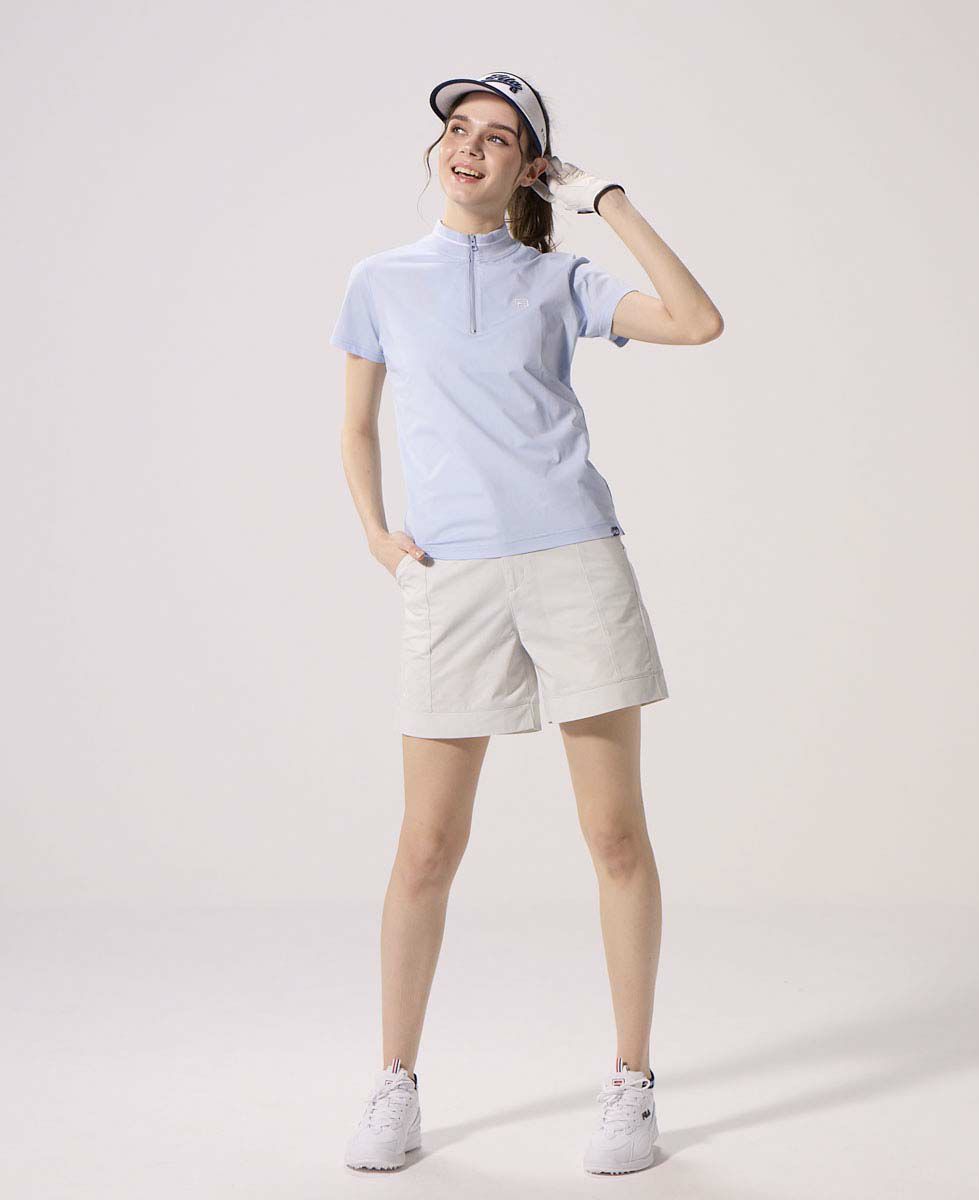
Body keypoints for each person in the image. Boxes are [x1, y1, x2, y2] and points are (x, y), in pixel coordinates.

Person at [331, 70, 723, 1176]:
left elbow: (697, 322)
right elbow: (355, 427)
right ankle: (395, 1081)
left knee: (614, 836)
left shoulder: (561, 279)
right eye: (457, 130)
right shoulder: (379, 281)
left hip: (574, 564)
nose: (469, 147)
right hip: (451, 577)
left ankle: (632, 1084)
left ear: (528, 168)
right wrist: (378, 536)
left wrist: (609, 200)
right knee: (425, 846)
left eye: (499, 137)